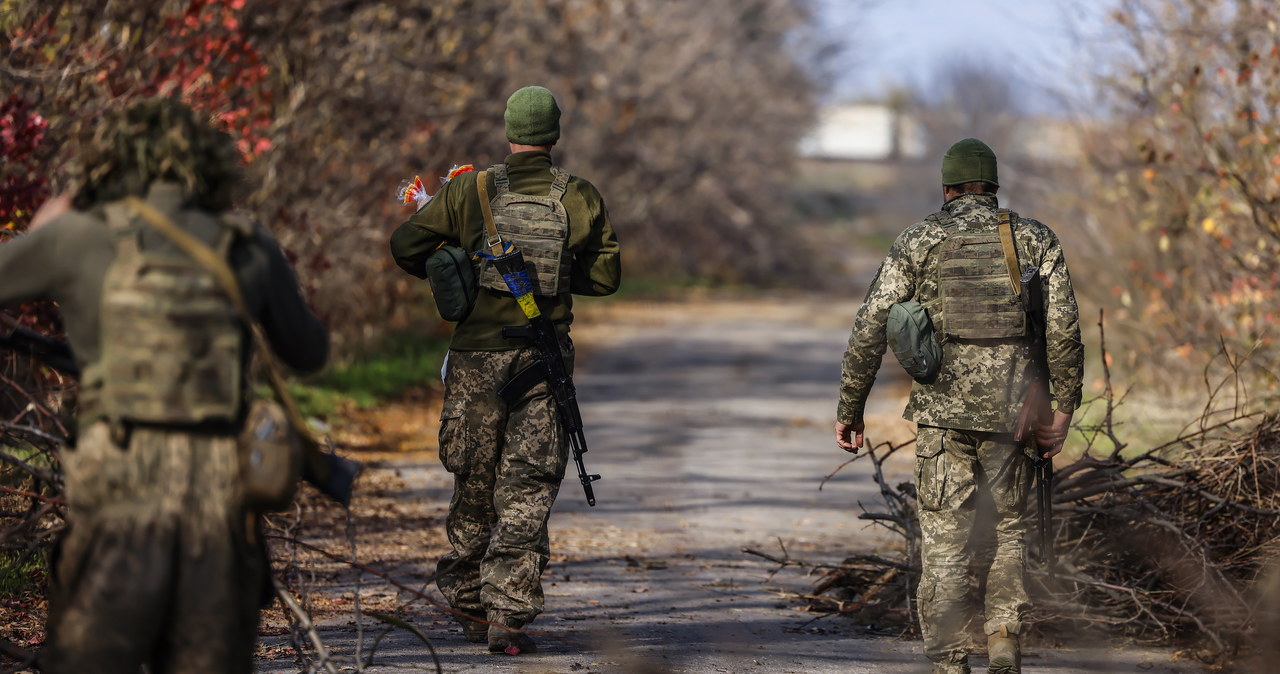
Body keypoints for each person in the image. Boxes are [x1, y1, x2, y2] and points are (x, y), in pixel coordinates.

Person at [0, 98, 328, 673]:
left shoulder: (75, 237)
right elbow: (308, 353)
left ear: (109, 163)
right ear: (209, 166)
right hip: (220, 501)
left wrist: (42, 233)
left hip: (117, 491)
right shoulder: (246, 243)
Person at [834, 138, 1083, 674]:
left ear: (945, 188)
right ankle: (1002, 642)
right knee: (1010, 533)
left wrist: (851, 407)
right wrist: (1064, 407)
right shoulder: (1035, 239)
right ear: (993, 187)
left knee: (945, 542)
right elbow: (1064, 329)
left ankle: (950, 663)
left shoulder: (920, 238)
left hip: (942, 420)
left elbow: (871, 325)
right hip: (1015, 418)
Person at [390, 85, 620, 654]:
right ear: (555, 135)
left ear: (508, 129)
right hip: (542, 360)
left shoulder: (471, 189)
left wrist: (456, 266)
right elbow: (605, 279)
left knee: (473, 478)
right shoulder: (580, 196)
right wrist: (560, 272)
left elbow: (404, 246)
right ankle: (508, 617)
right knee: (528, 487)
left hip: (474, 362)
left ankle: (467, 599)